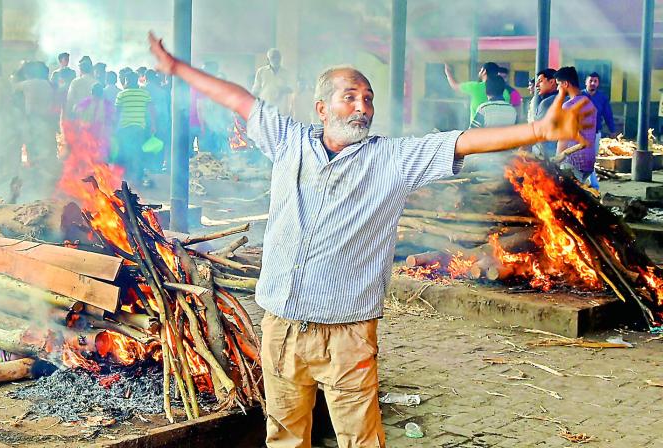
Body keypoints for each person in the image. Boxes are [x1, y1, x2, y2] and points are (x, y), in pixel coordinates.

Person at [147, 32, 591, 448]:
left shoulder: (392, 159)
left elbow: (463, 142)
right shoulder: (288, 141)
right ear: (322, 109)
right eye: (350, 96)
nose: (363, 105)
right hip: (281, 326)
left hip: (348, 335)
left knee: (361, 439)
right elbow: (238, 99)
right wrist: (177, 67)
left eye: (368, 98)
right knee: (284, 437)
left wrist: (538, 131)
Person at [554, 67, 597, 185]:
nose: (557, 88)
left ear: (566, 84)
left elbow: (564, 137)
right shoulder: (589, 104)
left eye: (558, 84)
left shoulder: (569, 106)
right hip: (588, 160)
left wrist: (556, 160)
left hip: (573, 161)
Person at [115, 70, 155, 186]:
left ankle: (128, 178)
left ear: (127, 81)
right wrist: (153, 125)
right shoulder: (144, 94)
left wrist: (114, 127)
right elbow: (152, 110)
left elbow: (117, 113)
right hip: (140, 128)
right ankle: (137, 177)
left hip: (125, 128)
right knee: (138, 151)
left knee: (126, 152)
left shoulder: (122, 94)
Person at [444, 62, 511, 124]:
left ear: (484, 71)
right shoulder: (505, 92)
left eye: (480, 70)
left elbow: (454, 86)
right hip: (496, 132)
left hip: (477, 132)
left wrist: (448, 73)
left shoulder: (475, 87)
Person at [581, 72, 615, 189]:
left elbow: (608, 114)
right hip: (579, 134)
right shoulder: (579, 96)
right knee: (580, 159)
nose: (592, 83)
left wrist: (612, 130)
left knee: (591, 159)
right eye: (590, 81)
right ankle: (590, 184)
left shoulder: (602, 98)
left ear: (598, 83)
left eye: (595, 81)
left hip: (595, 133)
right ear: (586, 82)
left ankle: (590, 184)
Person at [74, 83, 115, 160]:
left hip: (90, 131)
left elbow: (76, 110)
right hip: (100, 132)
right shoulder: (106, 103)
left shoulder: (87, 101)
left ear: (91, 92)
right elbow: (112, 117)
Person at [252, 48, 292, 114]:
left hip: (281, 109)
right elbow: (256, 90)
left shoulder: (286, 73)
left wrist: (283, 90)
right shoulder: (261, 71)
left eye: (278, 57)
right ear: (268, 59)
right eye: (273, 57)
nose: (276, 59)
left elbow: (292, 89)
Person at [531, 68, 559, 159]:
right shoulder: (565, 99)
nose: (536, 85)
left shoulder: (547, 103)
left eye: (540, 81)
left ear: (551, 82)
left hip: (548, 154)